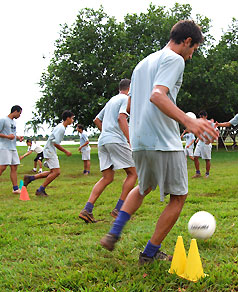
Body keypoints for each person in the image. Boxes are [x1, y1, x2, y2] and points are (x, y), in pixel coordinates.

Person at [99, 20, 218, 265]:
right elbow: (157, 95)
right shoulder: (174, 59)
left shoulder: (143, 64)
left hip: (140, 140)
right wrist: (189, 121)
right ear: (187, 42)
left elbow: (131, 105)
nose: (191, 55)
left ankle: (115, 232)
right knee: (178, 197)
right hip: (164, 140)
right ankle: (150, 253)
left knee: (143, 187)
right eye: (193, 49)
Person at [78, 79, 137, 223]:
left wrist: (106, 132)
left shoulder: (111, 100)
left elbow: (97, 120)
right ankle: (119, 209)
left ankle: (87, 210)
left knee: (107, 177)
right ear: (130, 88)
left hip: (103, 140)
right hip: (116, 140)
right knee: (133, 173)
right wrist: (130, 140)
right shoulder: (126, 98)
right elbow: (121, 118)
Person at [23, 110, 74, 196]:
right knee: (56, 172)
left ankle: (30, 178)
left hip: (49, 150)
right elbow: (56, 143)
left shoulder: (60, 127)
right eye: (72, 118)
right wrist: (66, 151)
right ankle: (40, 190)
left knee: (52, 172)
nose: (73, 121)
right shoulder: (61, 128)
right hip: (50, 151)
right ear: (67, 118)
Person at [0, 105, 23, 194]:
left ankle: (15, 188)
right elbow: (7, 135)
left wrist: (18, 137)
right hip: (4, 147)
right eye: (19, 113)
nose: (19, 116)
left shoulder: (14, 122)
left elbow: (12, 134)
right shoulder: (3, 120)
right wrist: (7, 136)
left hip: (13, 147)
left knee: (14, 167)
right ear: (15, 111)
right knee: (2, 167)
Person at [192, 111, 213, 178]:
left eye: (202, 116)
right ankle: (198, 173)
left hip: (206, 143)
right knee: (195, 157)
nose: (201, 118)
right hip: (200, 143)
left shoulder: (210, 123)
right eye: (200, 116)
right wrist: (198, 138)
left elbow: (217, 131)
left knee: (207, 159)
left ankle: (207, 174)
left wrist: (211, 140)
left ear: (205, 116)